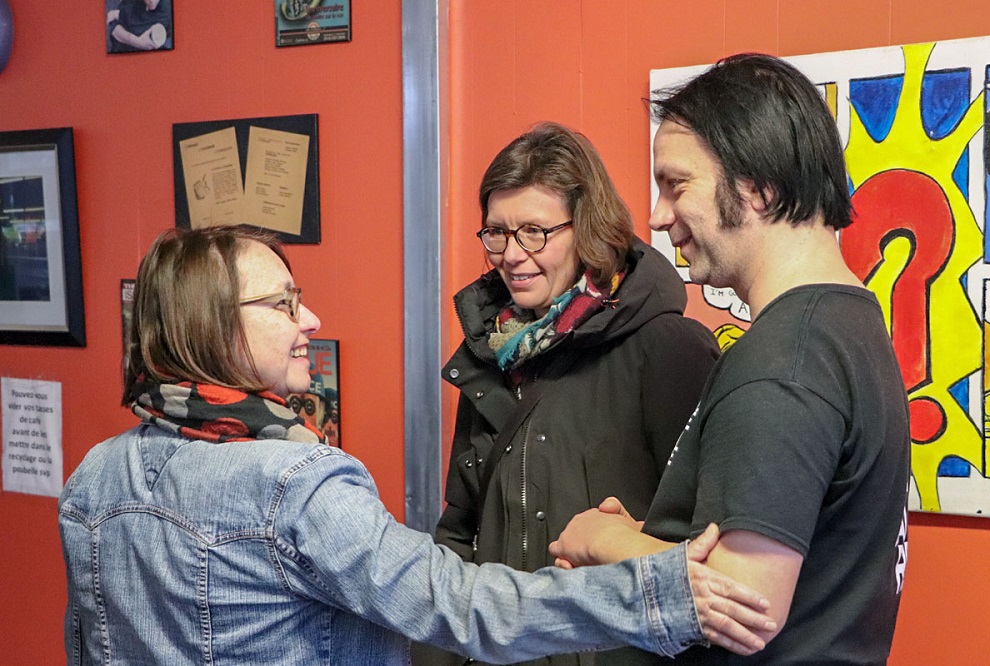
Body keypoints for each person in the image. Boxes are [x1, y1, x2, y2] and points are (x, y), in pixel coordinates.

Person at [57, 225, 776, 665]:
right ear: (209, 327)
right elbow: (462, 606)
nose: (309, 318)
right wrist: (662, 592)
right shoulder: (298, 480)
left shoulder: (95, 475)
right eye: (282, 303)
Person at [549, 53, 911, 665]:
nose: (659, 218)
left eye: (676, 184)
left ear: (758, 188)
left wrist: (603, 540)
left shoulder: (785, 362)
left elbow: (745, 603)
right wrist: (653, 539)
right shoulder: (847, 324)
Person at [413, 122, 720, 665]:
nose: (510, 254)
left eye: (534, 231)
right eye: (496, 233)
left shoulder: (668, 350)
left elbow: (705, 546)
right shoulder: (492, 354)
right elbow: (459, 532)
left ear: (588, 230)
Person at [106, 0, 171, 53]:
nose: (151, 1)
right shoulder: (130, 3)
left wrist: (136, 42)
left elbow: (133, 29)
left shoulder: (167, 8)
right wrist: (138, 42)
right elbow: (113, 27)